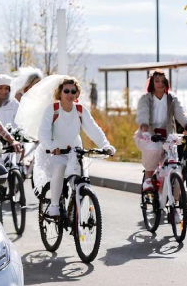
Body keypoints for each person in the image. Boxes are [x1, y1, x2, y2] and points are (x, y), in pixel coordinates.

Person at [16, 75, 114, 217]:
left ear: (77, 94)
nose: (69, 94)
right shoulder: (53, 109)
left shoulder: (80, 110)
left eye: (73, 91)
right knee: (60, 167)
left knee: (81, 175)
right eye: (66, 91)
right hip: (54, 150)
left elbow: (93, 129)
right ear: (60, 93)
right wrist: (50, 146)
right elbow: (43, 133)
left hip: (74, 149)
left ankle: (77, 207)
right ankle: (55, 206)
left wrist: (106, 145)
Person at [135, 70, 187, 192]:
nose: (160, 84)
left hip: (168, 136)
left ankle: (175, 205)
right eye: (157, 81)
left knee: (174, 167)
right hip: (150, 135)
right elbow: (143, 116)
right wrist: (146, 132)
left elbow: (181, 114)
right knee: (153, 149)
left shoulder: (172, 98)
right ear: (152, 83)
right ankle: (148, 179)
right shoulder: (145, 99)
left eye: (163, 81)